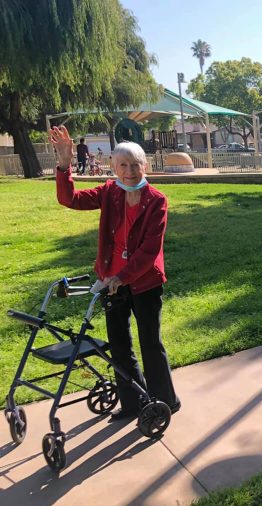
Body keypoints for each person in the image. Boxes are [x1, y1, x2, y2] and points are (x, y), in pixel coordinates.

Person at [49, 126, 180, 420]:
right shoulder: (110, 192)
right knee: (120, 344)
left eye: (135, 165)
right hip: (111, 282)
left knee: (150, 341)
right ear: (113, 167)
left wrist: (122, 278)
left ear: (143, 166)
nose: (130, 171)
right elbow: (69, 199)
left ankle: (164, 400)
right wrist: (63, 164)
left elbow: (149, 250)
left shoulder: (156, 200)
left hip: (144, 282)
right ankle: (133, 403)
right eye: (123, 165)